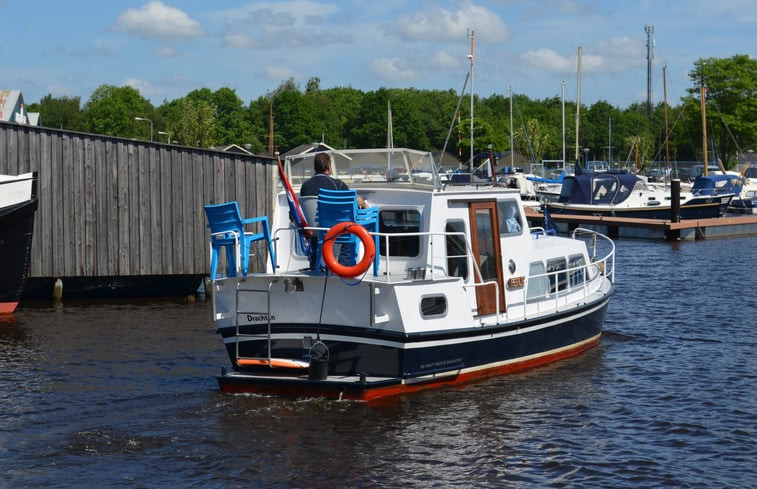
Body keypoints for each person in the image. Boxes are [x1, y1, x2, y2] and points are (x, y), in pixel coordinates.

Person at [300, 153, 367, 208]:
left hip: (311, 223)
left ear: (315, 168)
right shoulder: (338, 185)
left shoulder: (305, 186)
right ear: (329, 167)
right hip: (335, 223)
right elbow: (356, 200)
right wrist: (365, 205)